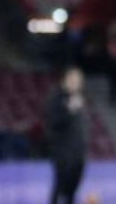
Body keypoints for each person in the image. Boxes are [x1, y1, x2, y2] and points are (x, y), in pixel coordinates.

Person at [44, 68, 88, 204]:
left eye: (78, 81)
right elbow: (53, 122)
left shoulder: (79, 98)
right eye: (73, 80)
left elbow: (82, 126)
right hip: (62, 152)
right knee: (60, 185)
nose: (76, 84)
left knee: (73, 188)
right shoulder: (56, 97)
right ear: (65, 80)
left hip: (78, 152)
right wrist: (69, 110)